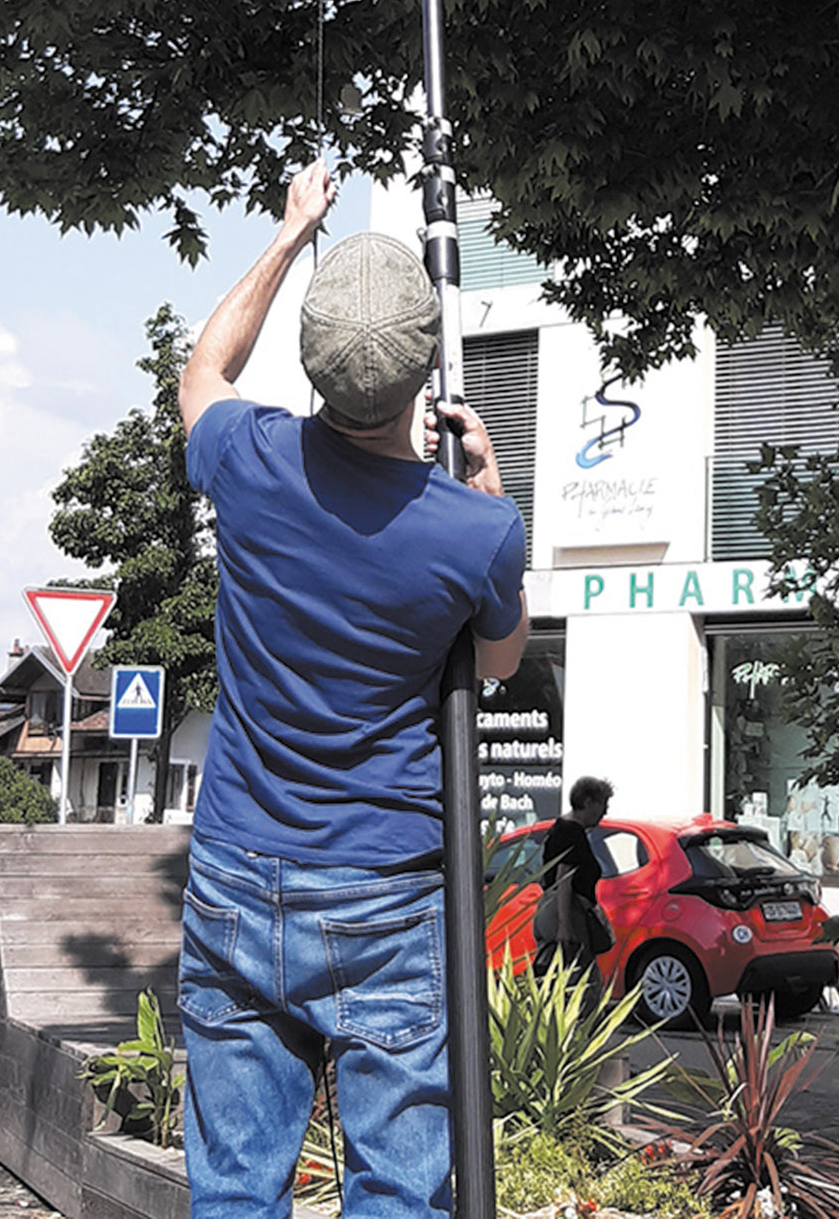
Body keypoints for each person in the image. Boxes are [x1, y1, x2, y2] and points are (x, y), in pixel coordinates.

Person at [175, 159, 530, 1219]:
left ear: (312, 364)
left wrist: (291, 232)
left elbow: (206, 364)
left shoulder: (246, 457)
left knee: (235, 1192)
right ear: (423, 372)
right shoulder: (476, 533)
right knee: (393, 1192)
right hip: (385, 888)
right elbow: (500, 664)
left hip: (239, 868)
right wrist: (488, 486)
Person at [532, 775, 614, 980]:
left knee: (559, 975)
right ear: (588, 802)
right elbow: (564, 879)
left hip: (551, 910)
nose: (605, 812)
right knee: (582, 980)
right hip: (569, 911)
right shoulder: (571, 833)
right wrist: (564, 924)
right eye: (603, 804)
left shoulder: (559, 829)